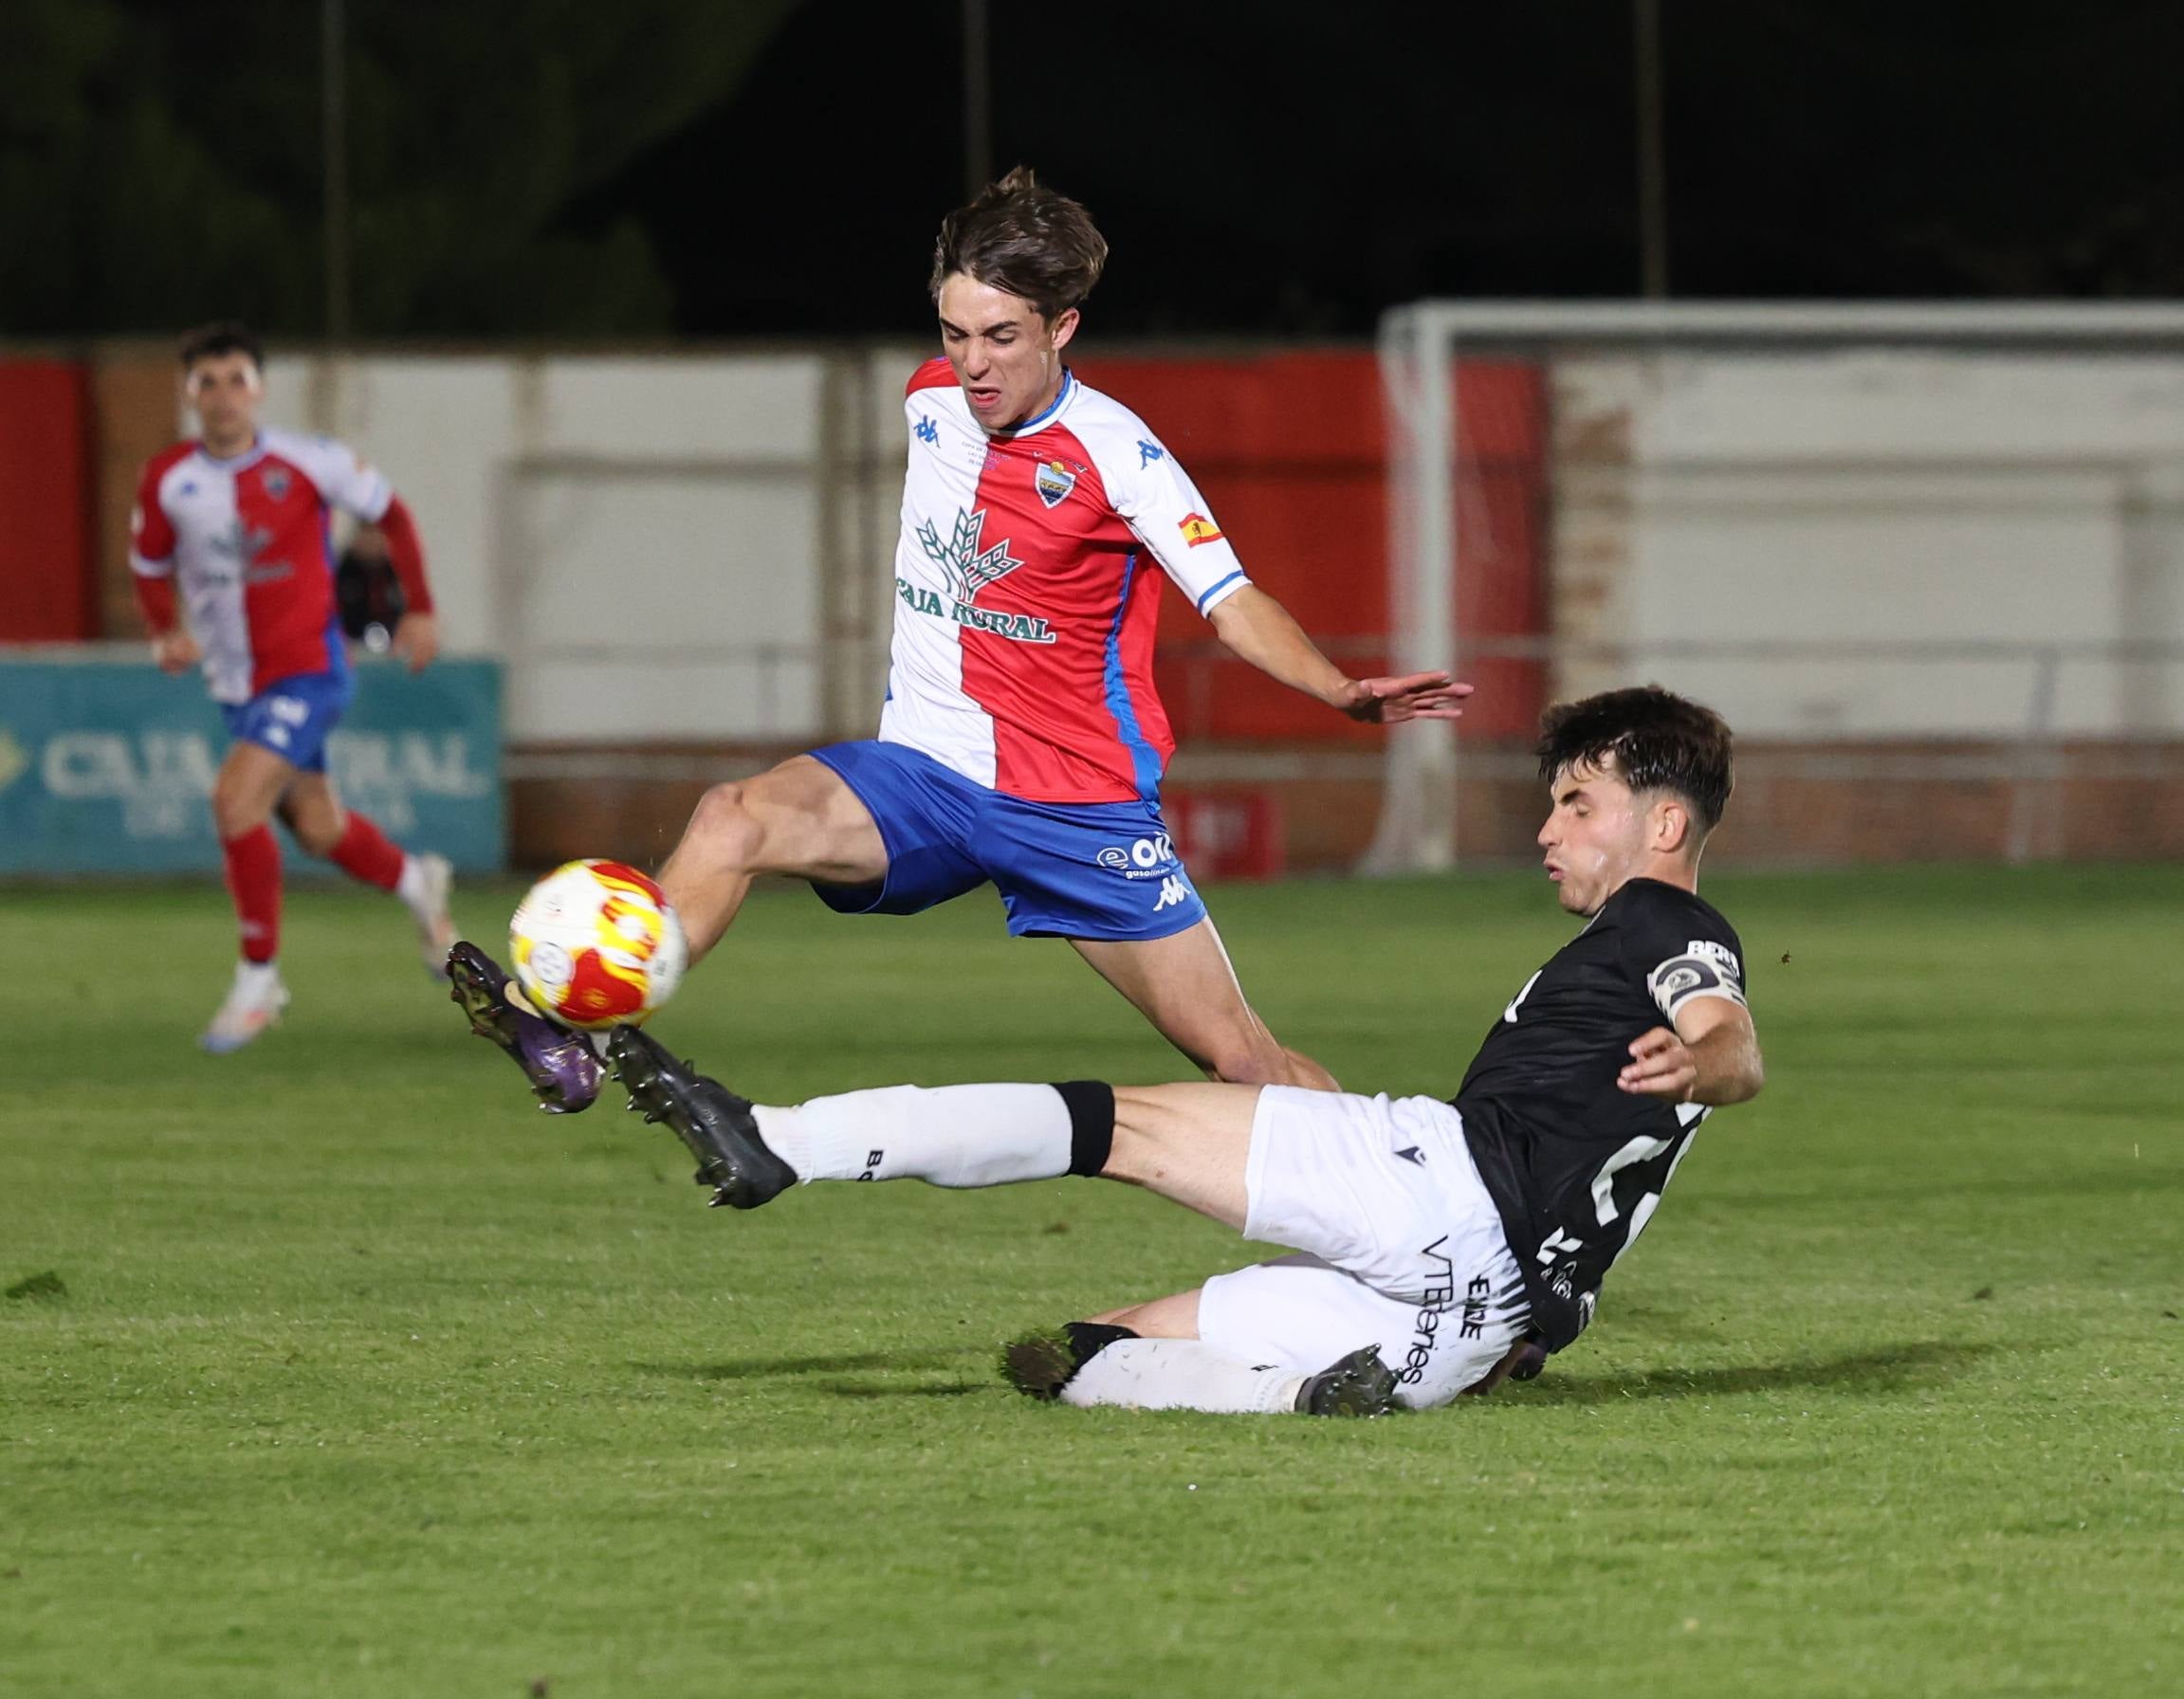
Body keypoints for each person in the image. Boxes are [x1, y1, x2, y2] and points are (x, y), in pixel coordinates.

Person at [448, 167, 1470, 1113]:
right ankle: (572, 1032)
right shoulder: (930, 397)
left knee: (1241, 1061)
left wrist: (1336, 690)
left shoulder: (1121, 457)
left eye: (1001, 337)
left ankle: (1414, 1199)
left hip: (1073, 802)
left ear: (1062, 326)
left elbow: (1229, 594)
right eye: (955, 332)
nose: (973, 364)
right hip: (925, 774)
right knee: (732, 818)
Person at [603, 686, 1765, 1417]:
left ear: (1663, 825)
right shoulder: (1643, 944)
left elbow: (1730, 1044)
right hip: (1487, 1311)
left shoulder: (1662, 922)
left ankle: (781, 1144)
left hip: (1444, 1184)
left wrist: (1698, 1060)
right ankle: (1306, 1396)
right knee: (1086, 1351)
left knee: (1119, 1127)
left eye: (1575, 802)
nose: (1548, 829)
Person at [130, 321, 457, 1052]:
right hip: (237, 682)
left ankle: (259, 979)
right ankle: (415, 882)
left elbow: (392, 514)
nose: (222, 397)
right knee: (317, 828)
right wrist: (164, 630)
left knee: (234, 800)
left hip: (309, 670)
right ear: (188, 393)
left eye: (235, 379)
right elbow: (149, 564)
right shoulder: (167, 480)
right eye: (206, 382)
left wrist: (422, 608)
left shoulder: (308, 461)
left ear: (260, 388)